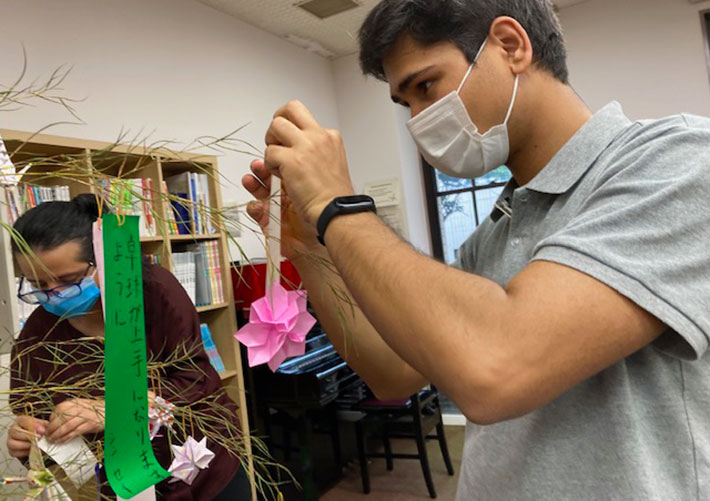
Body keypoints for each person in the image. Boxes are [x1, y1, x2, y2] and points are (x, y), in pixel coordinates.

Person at [242, 0, 710, 499]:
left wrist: (339, 205)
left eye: (425, 87)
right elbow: (393, 374)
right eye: (405, 105)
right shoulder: (494, 233)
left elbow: (497, 367)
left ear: (511, 46)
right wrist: (309, 248)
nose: (418, 122)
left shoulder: (677, 161)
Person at [6, 194, 251, 500]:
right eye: (37, 284)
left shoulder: (151, 293)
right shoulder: (38, 336)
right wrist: (28, 440)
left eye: (68, 280)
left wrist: (118, 409)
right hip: (122, 487)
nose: (53, 295)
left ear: (102, 257)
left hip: (200, 468)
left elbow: (195, 381)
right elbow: (34, 412)